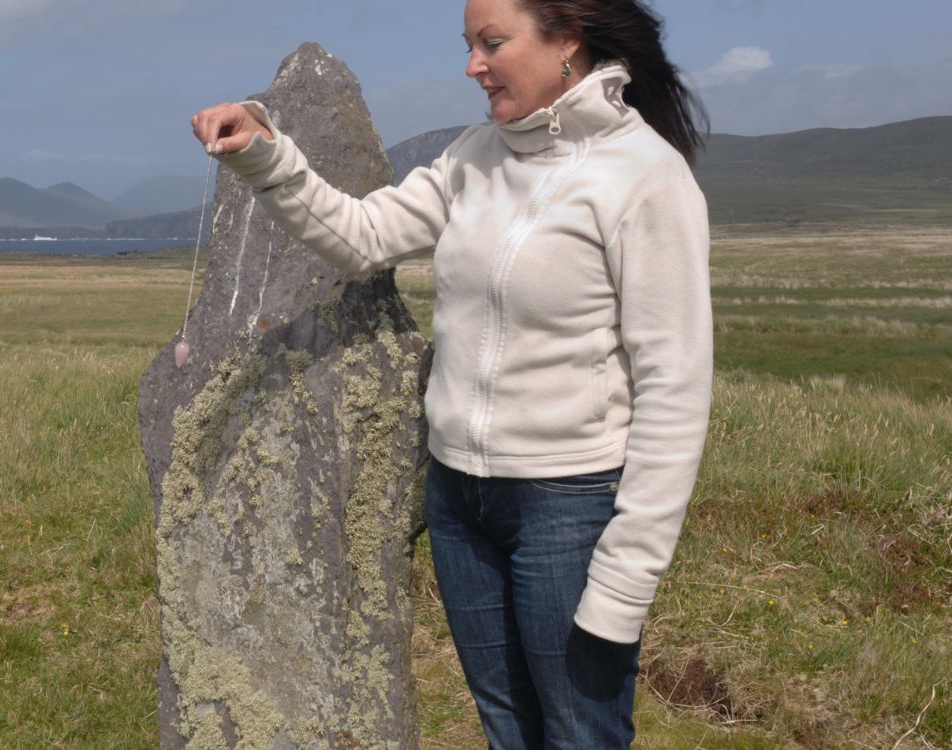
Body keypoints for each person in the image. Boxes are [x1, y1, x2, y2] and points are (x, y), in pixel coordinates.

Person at [190, 0, 712, 746]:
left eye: (492, 43)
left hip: (567, 507)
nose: (472, 65)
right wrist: (265, 153)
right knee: (506, 728)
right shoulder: (477, 155)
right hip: (459, 499)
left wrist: (627, 577)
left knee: (577, 733)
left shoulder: (647, 179)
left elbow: (675, 390)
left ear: (567, 40)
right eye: (470, 45)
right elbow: (363, 235)